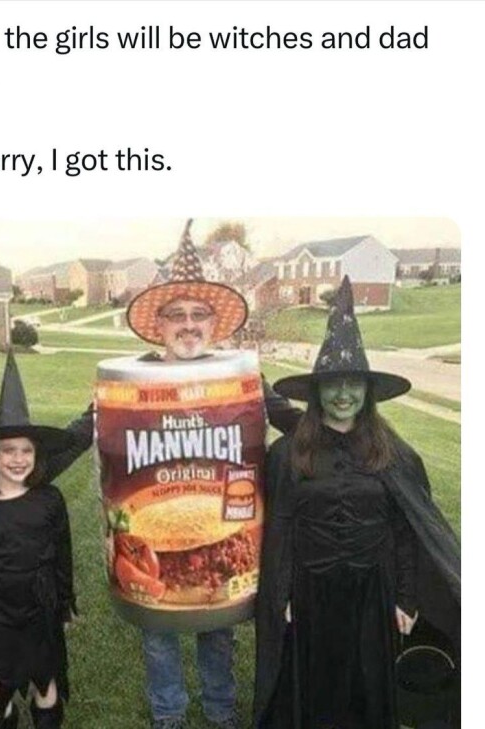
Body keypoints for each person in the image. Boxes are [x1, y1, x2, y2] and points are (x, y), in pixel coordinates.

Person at [252, 276, 460, 729]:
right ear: (316, 391)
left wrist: (405, 598)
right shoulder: (288, 454)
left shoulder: (393, 453)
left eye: (353, 384)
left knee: (366, 690)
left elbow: (406, 529)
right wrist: (281, 594)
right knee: (315, 688)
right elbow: (280, 526)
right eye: (332, 384)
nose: (343, 394)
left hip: (373, 593)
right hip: (310, 591)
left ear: (367, 391)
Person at [121, 220, 302, 729]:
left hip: (224, 530)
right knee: (158, 630)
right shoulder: (134, 379)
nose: (188, 324)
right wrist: (37, 458)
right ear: (159, 324)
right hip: (152, 539)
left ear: (214, 323)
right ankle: (169, 713)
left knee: (217, 627)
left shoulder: (241, 375)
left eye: (198, 314)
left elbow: (287, 417)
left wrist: (340, 436)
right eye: (176, 314)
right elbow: (89, 425)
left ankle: (221, 710)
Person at [0, 353, 78, 729]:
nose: (18, 459)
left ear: (37, 453)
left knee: (46, 683)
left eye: (26, 450)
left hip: (41, 612)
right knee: (0, 690)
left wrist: (65, 602)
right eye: (8, 450)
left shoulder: (49, 500)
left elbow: (63, 555)